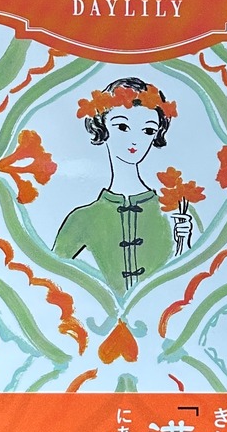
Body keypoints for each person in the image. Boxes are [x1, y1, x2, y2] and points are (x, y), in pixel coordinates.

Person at [52, 77, 193, 296]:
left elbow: (193, 282)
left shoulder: (173, 212)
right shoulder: (82, 218)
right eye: (122, 127)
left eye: (148, 130)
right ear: (102, 127)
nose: (135, 140)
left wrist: (184, 245)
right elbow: (51, 278)